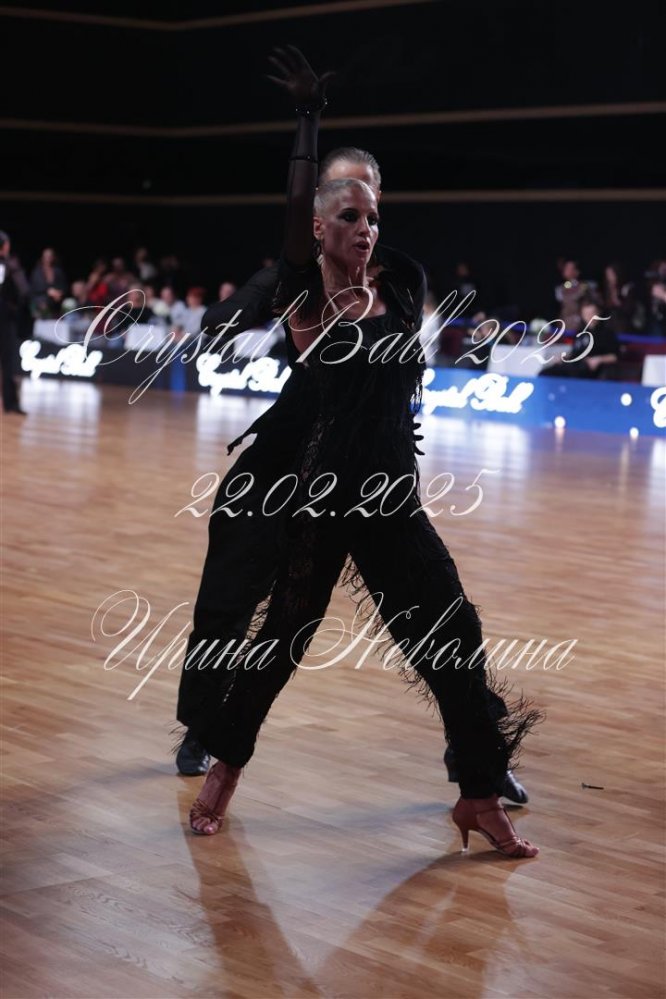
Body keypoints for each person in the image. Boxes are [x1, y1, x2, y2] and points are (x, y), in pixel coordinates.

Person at [181, 47, 540, 858]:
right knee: (282, 641)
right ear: (318, 225)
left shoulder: (403, 281)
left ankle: (479, 793)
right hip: (321, 497)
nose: (365, 229)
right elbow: (297, 210)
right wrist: (309, 121)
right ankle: (221, 774)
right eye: (348, 216)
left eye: (372, 217)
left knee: (453, 630)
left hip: (393, 497)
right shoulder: (303, 290)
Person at [539, 298, 620, 379]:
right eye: (586, 314)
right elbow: (575, 353)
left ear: (598, 313)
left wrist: (598, 359)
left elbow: (615, 356)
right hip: (574, 366)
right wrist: (564, 358)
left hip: (589, 369)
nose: (590, 317)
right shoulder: (580, 332)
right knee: (545, 373)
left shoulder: (606, 333)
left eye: (592, 313)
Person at [0, 230, 29, 415]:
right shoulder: (10, 265)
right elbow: (24, 290)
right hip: (4, 318)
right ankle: (10, 404)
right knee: (8, 362)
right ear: (5, 246)